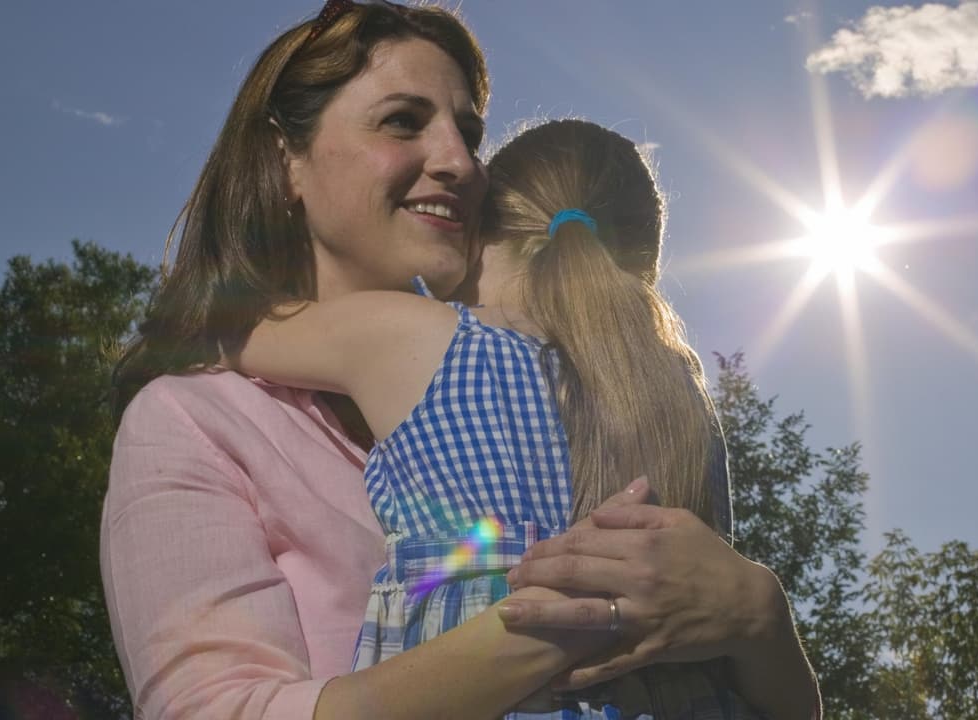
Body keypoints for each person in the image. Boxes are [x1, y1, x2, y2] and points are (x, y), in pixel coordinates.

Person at [102, 2, 820, 719]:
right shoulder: (197, 418)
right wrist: (579, 618)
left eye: (470, 135)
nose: (462, 163)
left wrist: (760, 618)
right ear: (283, 158)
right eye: (401, 121)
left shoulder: (533, 384)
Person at [227, 117, 756, 718]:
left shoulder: (414, 337)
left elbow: (225, 330)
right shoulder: (684, 401)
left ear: (479, 229)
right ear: (640, 268)